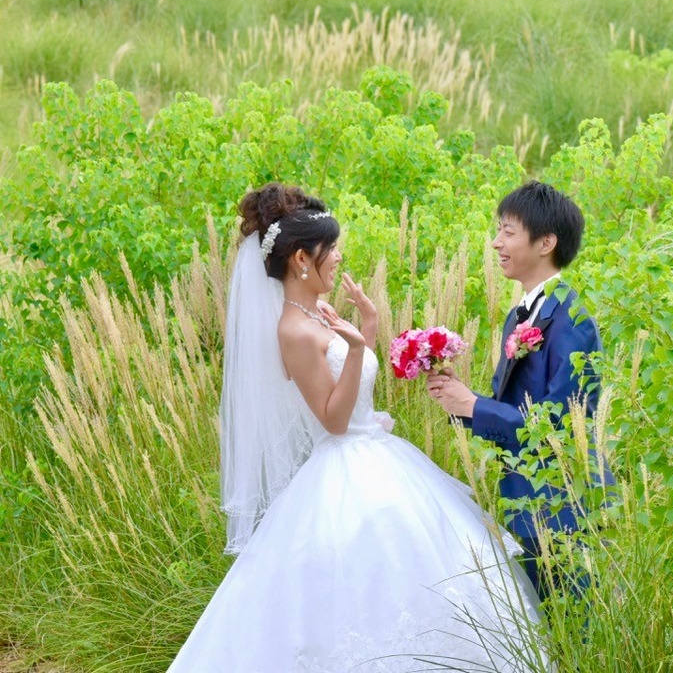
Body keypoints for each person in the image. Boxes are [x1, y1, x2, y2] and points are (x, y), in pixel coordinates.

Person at [168, 184, 544, 672]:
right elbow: (334, 418)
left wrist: (367, 323)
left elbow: (358, 382)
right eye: (332, 248)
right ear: (302, 259)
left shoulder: (315, 314)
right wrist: (355, 345)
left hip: (379, 456)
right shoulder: (294, 329)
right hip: (345, 466)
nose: (339, 255)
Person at [426, 181, 611, 600]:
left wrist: (476, 406)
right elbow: (516, 409)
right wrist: (461, 401)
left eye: (509, 232)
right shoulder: (520, 316)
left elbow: (560, 425)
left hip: (562, 505)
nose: (497, 243)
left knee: (569, 629)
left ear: (546, 242)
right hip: (523, 499)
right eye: (499, 231)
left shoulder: (573, 319)